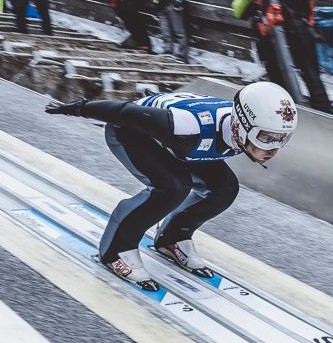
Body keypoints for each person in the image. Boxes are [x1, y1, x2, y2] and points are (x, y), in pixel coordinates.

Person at [44, 82, 299, 290]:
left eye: (282, 139)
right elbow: (124, 113)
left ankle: (172, 238)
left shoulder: (235, 127)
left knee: (224, 188)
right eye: (267, 138)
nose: (273, 149)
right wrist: (81, 107)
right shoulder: (189, 125)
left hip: (181, 142)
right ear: (240, 126)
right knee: (173, 187)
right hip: (131, 132)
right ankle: (116, 250)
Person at [231, 0, 333, 113]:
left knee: (312, 79)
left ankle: (326, 118)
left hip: (298, 32)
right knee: (277, 83)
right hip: (268, 38)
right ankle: (287, 117)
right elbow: (238, 11)